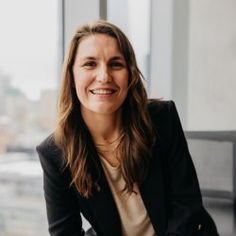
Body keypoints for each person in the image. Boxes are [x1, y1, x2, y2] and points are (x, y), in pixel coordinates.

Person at [36, 20, 219, 236]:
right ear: (72, 76)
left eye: (116, 64)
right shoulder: (54, 152)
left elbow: (186, 211)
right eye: (90, 64)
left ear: (130, 74)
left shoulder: (162, 119)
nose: (104, 76)